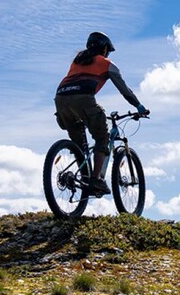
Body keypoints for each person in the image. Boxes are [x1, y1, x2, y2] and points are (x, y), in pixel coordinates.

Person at [55, 31, 148, 195]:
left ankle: (84, 179)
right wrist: (138, 105)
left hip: (61, 99)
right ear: (104, 48)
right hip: (82, 100)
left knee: (79, 145)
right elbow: (124, 89)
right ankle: (96, 180)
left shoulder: (77, 61)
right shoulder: (106, 63)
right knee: (102, 138)